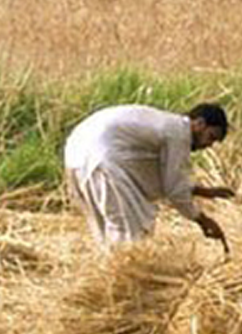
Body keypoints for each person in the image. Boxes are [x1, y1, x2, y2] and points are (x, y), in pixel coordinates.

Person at [64, 102, 234, 251]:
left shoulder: (162, 127)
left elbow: (147, 168)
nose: (208, 145)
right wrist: (202, 221)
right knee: (129, 234)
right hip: (100, 161)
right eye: (210, 137)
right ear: (199, 123)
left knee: (109, 233)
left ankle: (113, 280)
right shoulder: (178, 134)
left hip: (76, 157)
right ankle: (125, 282)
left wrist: (202, 191)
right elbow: (174, 189)